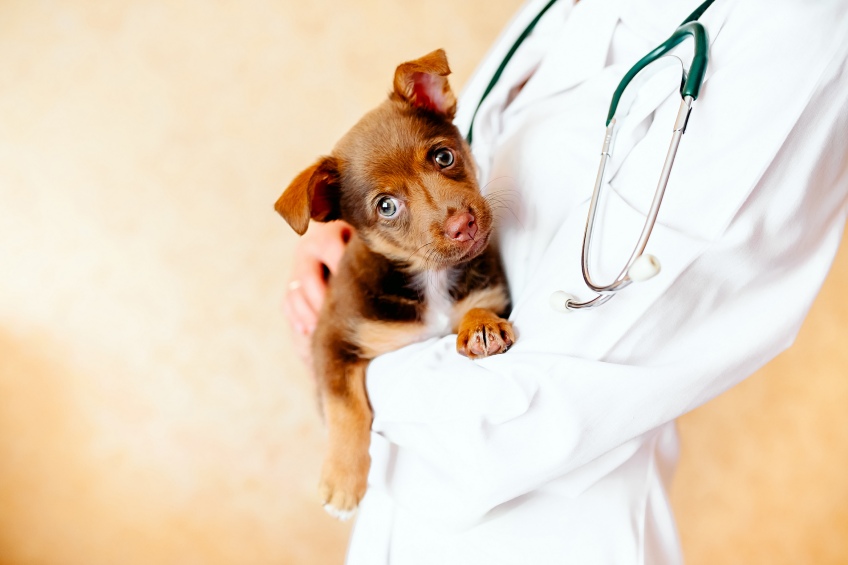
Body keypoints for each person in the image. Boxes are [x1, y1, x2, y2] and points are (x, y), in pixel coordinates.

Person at [283, 0, 848, 563]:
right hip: (393, 525)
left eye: (441, 159)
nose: (454, 217)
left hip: (554, 531)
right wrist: (353, 229)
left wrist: (356, 380)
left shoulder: (794, 29)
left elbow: (523, 415)